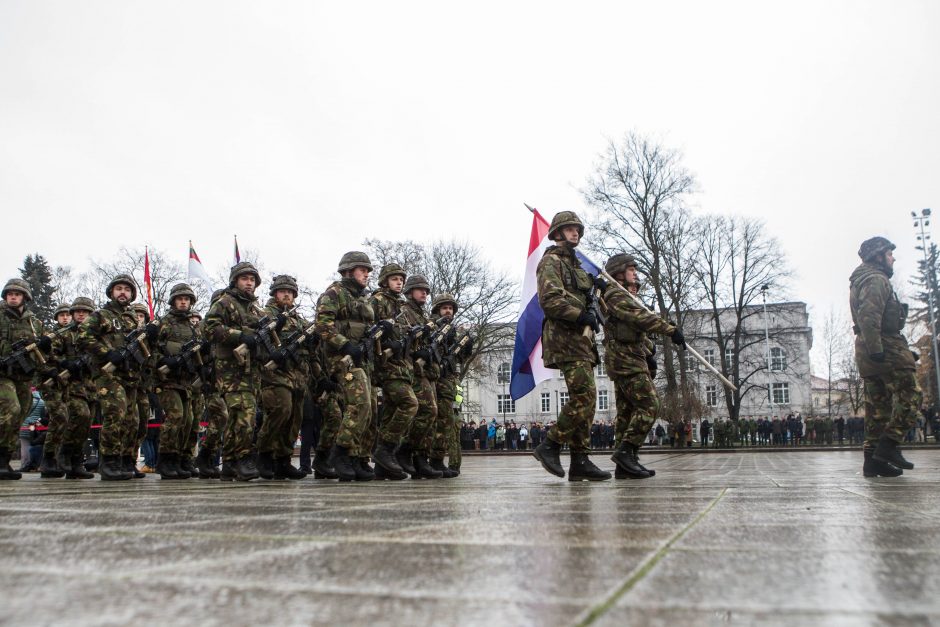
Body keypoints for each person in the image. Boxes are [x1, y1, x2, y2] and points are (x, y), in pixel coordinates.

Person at [532, 211, 610, 481]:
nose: (575, 232)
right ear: (556, 233)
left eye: (577, 228)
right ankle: (550, 444)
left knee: (587, 403)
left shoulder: (577, 267)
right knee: (585, 395)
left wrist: (599, 291)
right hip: (564, 339)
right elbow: (550, 300)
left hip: (582, 341)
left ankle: (580, 460)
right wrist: (580, 316)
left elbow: (589, 303)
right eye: (569, 228)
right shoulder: (551, 262)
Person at [601, 253, 683, 479]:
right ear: (619, 273)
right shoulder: (615, 294)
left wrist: (650, 351)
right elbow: (640, 318)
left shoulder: (622, 295)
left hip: (628, 359)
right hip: (625, 360)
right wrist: (670, 330)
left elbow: (638, 329)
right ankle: (626, 452)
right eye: (631, 270)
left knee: (627, 414)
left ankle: (625, 465)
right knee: (650, 405)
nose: (635, 274)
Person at [850, 237, 919, 477]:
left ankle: (872, 461)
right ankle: (889, 446)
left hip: (870, 349)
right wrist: (878, 348)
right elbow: (869, 316)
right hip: (883, 346)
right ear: (878, 257)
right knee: (912, 396)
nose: (893, 258)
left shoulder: (861, 279)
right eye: (890, 254)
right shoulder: (876, 279)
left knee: (878, 409)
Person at [77, 274, 151, 480]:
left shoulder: (133, 319)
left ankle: (124, 461)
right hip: (108, 374)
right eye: (119, 289)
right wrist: (106, 352)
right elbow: (83, 336)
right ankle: (108, 462)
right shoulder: (101, 315)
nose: (123, 293)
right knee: (115, 414)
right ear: (111, 292)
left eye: (127, 290)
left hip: (130, 376)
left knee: (132, 420)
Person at [315, 251, 378, 482]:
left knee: (369, 409)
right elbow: (322, 326)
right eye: (363, 270)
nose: (367, 274)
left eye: (368, 270)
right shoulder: (334, 293)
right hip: (341, 359)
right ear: (348, 271)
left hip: (363, 359)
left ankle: (356, 456)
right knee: (359, 404)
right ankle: (339, 453)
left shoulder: (362, 298)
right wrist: (345, 345)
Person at [205, 262, 265, 481]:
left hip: (252, 370)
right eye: (244, 279)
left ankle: (229, 462)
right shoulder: (225, 303)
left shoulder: (256, 309)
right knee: (245, 414)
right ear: (235, 281)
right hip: (231, 370)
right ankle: (242, 458)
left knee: (238, 416)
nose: (249, 283)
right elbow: (210, 328)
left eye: (252, 280)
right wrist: (240, 336)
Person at [256, 275, 309, 480]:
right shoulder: (265, 314)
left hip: (297, 375)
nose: (287, 294)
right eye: (282, 291)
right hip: (274, 374)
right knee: (281, 410)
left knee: (295, 417)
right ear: (275, 293)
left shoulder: (298, 319)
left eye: (290, 292)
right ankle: (265, 453)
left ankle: (283, 459)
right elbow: (257, 341)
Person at [368, 263, 414, 480]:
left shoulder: (403, 308)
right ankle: (385, 449)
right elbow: (368, 332)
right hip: (386, 366)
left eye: (401, 279)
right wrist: (387, 339)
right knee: (409, 403)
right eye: (395, 279)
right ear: (385, 280)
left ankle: (382, 468)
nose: (399, 282)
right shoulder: (376, 301)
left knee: (389, 413)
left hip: (402, 367)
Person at [153, 283, 203, 480]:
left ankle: (181, 459)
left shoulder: (192, 327)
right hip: (167, 381)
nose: (183, 301)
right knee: (176, 417)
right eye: (180, 298)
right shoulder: (164, 323)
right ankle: (166, 460)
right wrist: (163, 360)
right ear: (173, 301)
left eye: (187, 299)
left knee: (189, 421)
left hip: (186, 382)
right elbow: (151, 349)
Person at [430, 292, 472, 477]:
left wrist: (466, 348)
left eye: (450, 309)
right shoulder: (432, 328)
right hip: (437, 382)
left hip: (453, 383)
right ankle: (435, 461)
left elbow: (458, 359)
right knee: (442, 422)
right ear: (437, 310)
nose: (448, 311)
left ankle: (454, 465)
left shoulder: (453, 331)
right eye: (444, 308)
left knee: (454, 422)